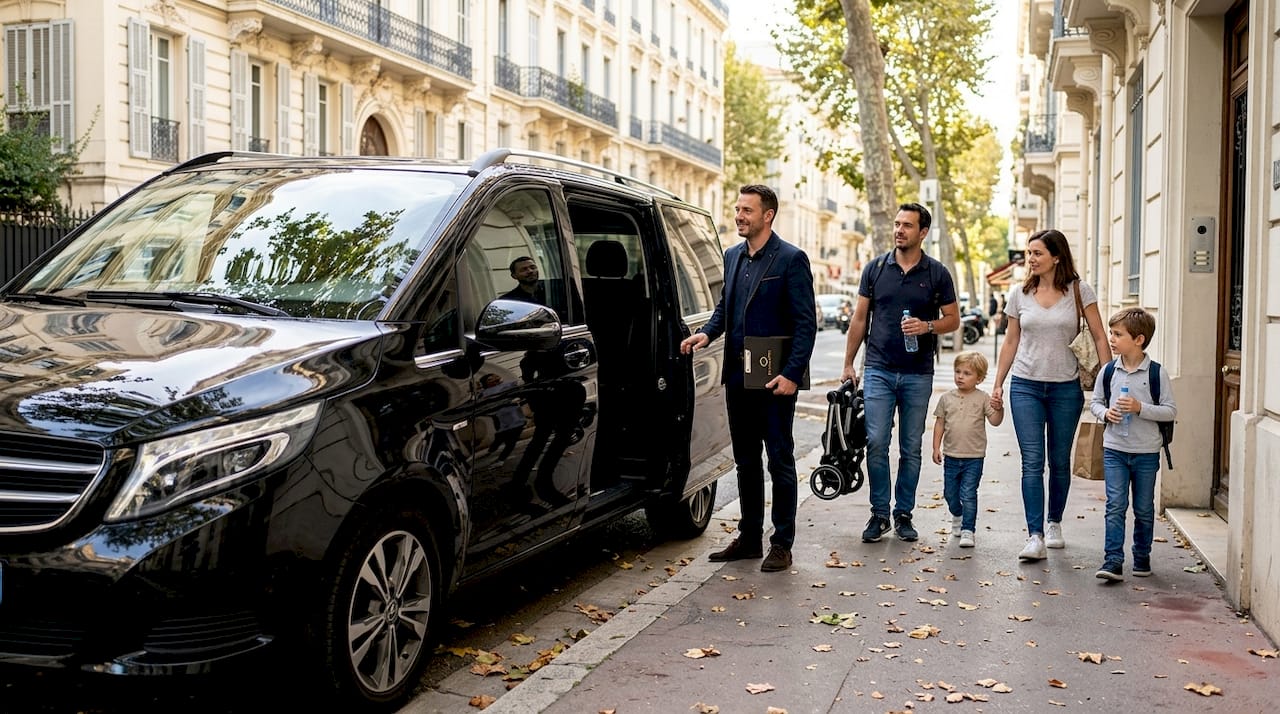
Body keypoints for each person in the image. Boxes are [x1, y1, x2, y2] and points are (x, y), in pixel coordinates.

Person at [680, 184, 816, 572]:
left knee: (780, 461)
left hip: (776, 379)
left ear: (767, 215)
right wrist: (707, 332)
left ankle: (782, 543)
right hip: (738, 376)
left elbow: (806, 324)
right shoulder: (732, 256)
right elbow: (726, 306)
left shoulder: (791, 259)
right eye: (737, 209)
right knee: (745, 461)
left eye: (747, 210)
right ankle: (750, 538)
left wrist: (791, 375)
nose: (739, 216)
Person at [842, 202, 960, 543]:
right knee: (877, 441)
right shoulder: (876, 269)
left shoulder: (937, 273)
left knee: (911, 447)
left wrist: (927, 326)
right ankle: (879, 513)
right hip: (878, 368)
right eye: (897, 224)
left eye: (907, 225)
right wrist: (849, 363)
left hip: (918, 373)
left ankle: (903, 512)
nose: (899, 230)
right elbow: (860, 319)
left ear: (922, 232)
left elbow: (953, 320)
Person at [990, 229, 1110, 562]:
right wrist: (998, 382)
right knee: (1032, 461)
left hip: (1065, 388)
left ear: (1056, 256)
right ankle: (1035, 535)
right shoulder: (1019, 294)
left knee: (1059, 461)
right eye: (1029, 253)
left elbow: (1100, 337)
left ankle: (1054, 522)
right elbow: (1011, 341)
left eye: (1037, 253)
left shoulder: (1079, 291)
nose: (1031, 259)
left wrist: (1110, 379)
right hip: (1026, 385)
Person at [1089, 308, 1176, 581]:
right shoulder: (1108, 371)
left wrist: (1140, 407)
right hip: (1114, 448)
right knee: (1115, 505)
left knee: (1143, 508)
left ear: (1139, 339)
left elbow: (1170, 411)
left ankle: (1142, 556)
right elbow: (1095, 403)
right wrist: (1106, 414)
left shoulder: (1156, 373)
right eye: (1112, 333)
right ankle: (1113, 560)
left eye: (1118, 334)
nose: (1111, 339)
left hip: (1146, 452)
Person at [931, 351, 1004, 548]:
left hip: (974, 457)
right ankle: (957, 514)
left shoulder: (983, 398)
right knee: (950, 494)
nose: (960, 376)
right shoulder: (946, 398)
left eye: (966, 373)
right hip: (951, 456)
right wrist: (936, 447)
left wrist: (999, 408)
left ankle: (968, 530)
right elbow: (939, 423)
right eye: (957, 372)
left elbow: (995, 421)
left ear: (979, 378)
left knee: (969, 493)